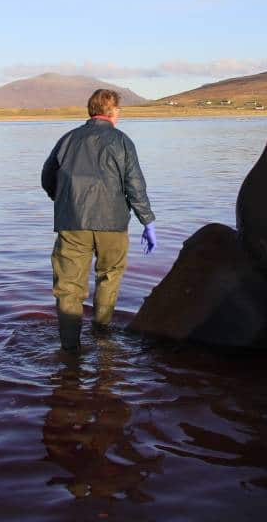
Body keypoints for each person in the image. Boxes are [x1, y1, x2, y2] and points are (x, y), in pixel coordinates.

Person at [41, 89, 157, 352]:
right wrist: (147, 221)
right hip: (113, 224)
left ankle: (70, 349)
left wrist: (65, 201)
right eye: (119, 111)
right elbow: (135, 185)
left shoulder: (68, 139)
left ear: (91, 110)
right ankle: (102, 338)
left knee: (68, 288)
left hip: (72, 224)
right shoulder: (122, 141)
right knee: (109, 277)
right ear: (113, 112)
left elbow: (47, 177)